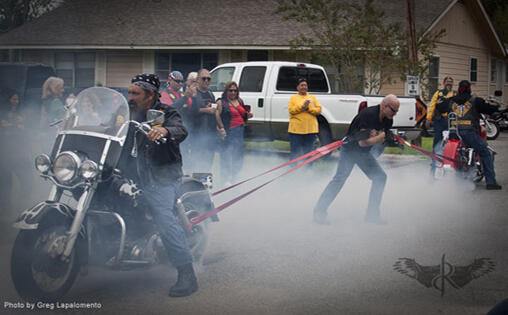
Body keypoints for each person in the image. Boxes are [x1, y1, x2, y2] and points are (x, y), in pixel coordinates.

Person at [124, 73, 198, 297]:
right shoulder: (126, 112)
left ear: (150, 95)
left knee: (163, 217)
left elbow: (180, 129)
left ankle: (187, 274)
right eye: (129, 92)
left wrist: (164, 130)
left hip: (161, 175)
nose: (130, 97)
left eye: (135, 93)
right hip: (130, 173)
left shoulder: (167, 112)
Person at [313, 94, 400, 225]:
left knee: (380, 177)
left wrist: (382, 138)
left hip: (363, 154)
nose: (395, 113)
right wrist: (378, 138)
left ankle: (372, 215)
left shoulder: (388, 120)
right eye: (393, 110)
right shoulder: (368, 115)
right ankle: (319, 212)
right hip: (350, 150)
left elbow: (379, 140)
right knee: (339, 179)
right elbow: (363, 143)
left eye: (396, 111)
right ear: (383, 106)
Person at [437, 80, 502, 190]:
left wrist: (442, 102)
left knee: (440, 152)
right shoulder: (476, 101)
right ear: (470, 89)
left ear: (459, 89)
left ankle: (439, 178)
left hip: (453, 134)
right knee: (485, 153)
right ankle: (491, 182)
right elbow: (490, 110)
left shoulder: (450, 101)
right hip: (470, 133)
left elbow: (439, 107)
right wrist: (496, 108)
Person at [0, 91, 32, 220]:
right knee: (6, 184)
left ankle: (22, 207)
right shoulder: (3, 113)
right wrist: (15, 125)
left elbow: (26, 129)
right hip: (6, 154)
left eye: (17, 100)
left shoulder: (21, 114)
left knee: (27, 181)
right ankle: (6, 210)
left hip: (20, 153)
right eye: (13, 99)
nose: (15, 102)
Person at [215, 81, 253, 185]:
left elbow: (242, 114)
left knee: (238, 156)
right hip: (229, 132)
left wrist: (247, 115)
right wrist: (221, 128)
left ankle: (235, 177)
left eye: (235, 90)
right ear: (226, 91)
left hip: (239, 132)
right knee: (226, 156)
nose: (233, 93)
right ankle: (225, 179)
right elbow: (216, 115)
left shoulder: (239, 101)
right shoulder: (221, 102)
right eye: (230, 90)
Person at [425, 76, 456, 178]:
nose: (449, 83)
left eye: (451, 82)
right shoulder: (438, 93)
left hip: (450, 122)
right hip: (439, 121)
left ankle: (448, 161)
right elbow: (432, 105)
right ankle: (434, 161)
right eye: (447, 81)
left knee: (449, 142)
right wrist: (429, 118)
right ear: (443, 83)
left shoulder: (455, 94)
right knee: (437, 142)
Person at [288, 78, 322, 163]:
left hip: (310, 130)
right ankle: (293, 168)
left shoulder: (312, 97)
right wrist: (302, 106)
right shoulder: (293, 98)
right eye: (302, 85)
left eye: (305, 85)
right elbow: (291, 110)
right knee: (295, 151)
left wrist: (308, 109)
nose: (304, 87)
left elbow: (318, 110)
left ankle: (308, 169)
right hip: (296, 130)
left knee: (309, 151)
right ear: (297, 87)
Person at [194, 68, 217, 172]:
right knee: (198, 161)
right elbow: (189, 111)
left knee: (208, 162)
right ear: (198, 79)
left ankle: (206, 185)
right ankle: (196, 186)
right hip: (197, 133)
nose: (206, 81)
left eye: (209, 79)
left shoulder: (210, 94)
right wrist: (206, 110)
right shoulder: (193, 93)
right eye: (204, 79)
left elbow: (214, 111)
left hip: (210, 133)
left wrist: (219, 128)